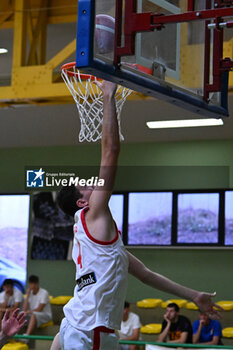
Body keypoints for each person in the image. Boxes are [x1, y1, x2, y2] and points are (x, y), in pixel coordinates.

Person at [51, 80, 220, 350]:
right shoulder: (94, 216)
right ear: (83, 202)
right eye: (86, 184)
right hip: (88, 329)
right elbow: (111, 151)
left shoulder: (98, 241)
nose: (93, 181)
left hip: (83, 327)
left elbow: (146, 274)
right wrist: (108, 96)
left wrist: (193, 295)